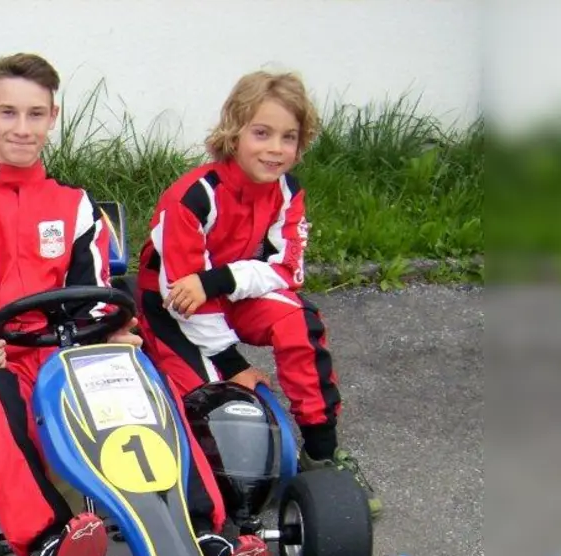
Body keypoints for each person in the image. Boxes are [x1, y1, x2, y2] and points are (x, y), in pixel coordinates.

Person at [0, 53, 244, 556]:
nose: (22, 128)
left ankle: (208, 537)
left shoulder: (76, 206)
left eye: (36, 115)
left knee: (145, 385)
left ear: (53, 118)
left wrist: (110, 327)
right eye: (10, 113)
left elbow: (94, 292)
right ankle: (50, 545)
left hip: (67, 352)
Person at [133, 70, 381, 516]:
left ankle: (322, 453)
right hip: (171, 306)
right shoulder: (192, 197)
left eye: (289, 137)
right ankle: (205, 504)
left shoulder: (288, 191)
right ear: (234, 132)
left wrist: (221, 279)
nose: (274, 149)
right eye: (262, 133)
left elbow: (286, 271)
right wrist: (232, 365)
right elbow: (183, 293)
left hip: (225, 292)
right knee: (214, 401)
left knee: (300, 321)